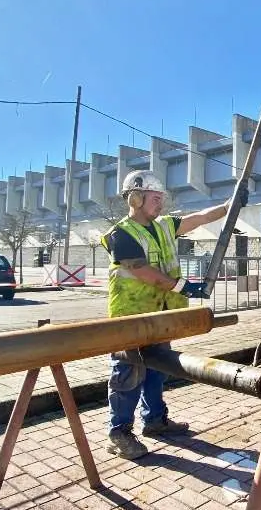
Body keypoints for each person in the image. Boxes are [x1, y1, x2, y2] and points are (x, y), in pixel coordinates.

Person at [100, 169, 248, 459]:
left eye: (161, 198)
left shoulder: (165, 225)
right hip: (131, 317)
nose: (160, 204)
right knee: (128, 373)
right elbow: (142, 271)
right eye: (155, 198)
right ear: (136, 198)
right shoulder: (120, 234)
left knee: (158, 367)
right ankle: (118, 433)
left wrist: (230, 205)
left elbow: (201, 217)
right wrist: (184, 286)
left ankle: (155, 420)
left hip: (160, 316)